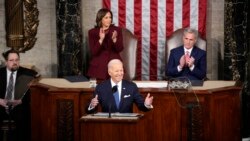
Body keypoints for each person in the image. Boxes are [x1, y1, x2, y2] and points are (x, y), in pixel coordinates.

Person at [88, 59, 153, 113]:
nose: (120, 73)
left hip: (127, 125)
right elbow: (90, 110)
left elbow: (141, 105)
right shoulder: (101, 87)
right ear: (109, 72)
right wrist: (92, 105)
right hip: (107, 125)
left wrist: (146, 104)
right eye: (117, 71)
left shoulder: (131, 86)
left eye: (121, 70)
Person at [0, 49, 39, 141]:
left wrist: (20, 101)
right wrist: (0, 101)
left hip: (19, 106)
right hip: (1, 105)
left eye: (17, 60)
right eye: (11, 60)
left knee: (26, 117)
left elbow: (34, 92)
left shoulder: (29, 74)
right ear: (6, 62)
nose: (15, 62)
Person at [87, 8, 124, 81]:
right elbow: (94, 52)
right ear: (100, 19)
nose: (109, 20)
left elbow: (120, 49)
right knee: (99, 89)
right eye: (106, 18)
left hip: (114, 65)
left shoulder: (117, 30)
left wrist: (114, 40)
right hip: (99, 67)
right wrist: (101, 39)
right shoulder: (92, 32)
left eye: (110, 17)